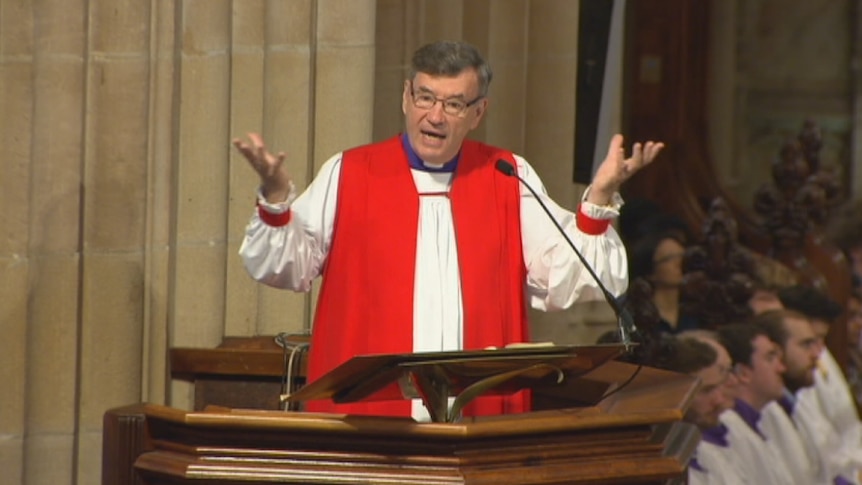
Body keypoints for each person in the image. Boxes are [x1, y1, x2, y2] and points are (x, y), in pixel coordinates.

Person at [233, 40, 664, 418]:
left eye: (453, 104)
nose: (435, 116)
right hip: (366, 420)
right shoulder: (349, 172)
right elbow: (284, 267)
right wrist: (275, 199)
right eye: (425, 97)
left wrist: (600, 199)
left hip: (477, 419)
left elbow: (569, 279)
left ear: (478, 112)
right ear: (406, 97)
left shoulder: (506, 174)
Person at [755, 309, 861, 484]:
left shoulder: (799, 402)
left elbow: (826, 467)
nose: (817, 354)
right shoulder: (767, 413)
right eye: (806, 345)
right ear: (777, 352)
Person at [654, 331, 741, 484]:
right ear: (674, 395)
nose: (719, 400)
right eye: (706, 390)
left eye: (718, 386)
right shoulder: (655, 467)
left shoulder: (707, 453)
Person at [716, 322, 797, 484]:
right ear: (744, 373)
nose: (781, 368)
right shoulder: (731, 431)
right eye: (770, 358)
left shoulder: (761, 418)